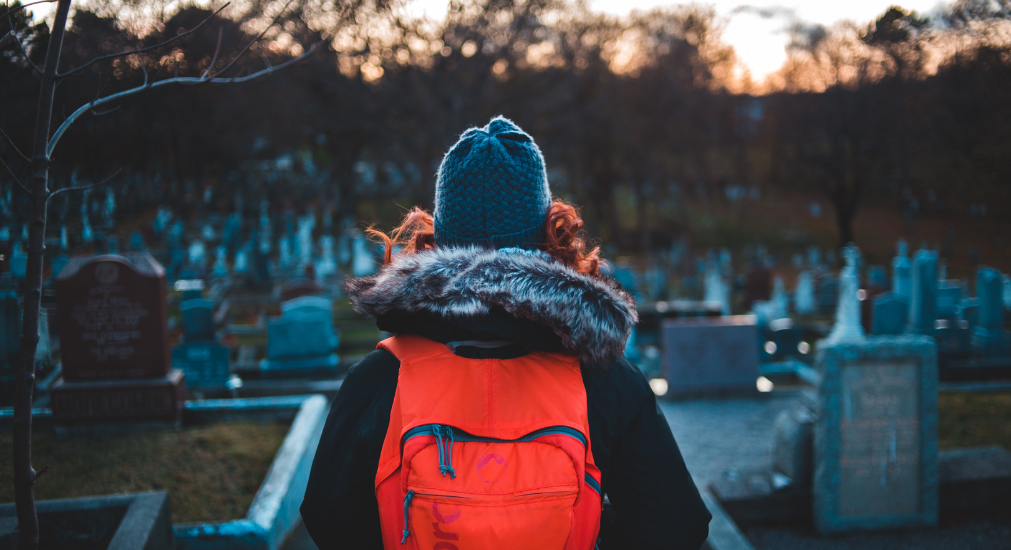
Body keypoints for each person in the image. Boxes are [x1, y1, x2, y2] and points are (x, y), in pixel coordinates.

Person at [300, 116, 710, 549]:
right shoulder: (604, 379)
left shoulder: (381, 377)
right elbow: (675, 527)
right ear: (551, 233)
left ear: (435, 239)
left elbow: (328, 517)